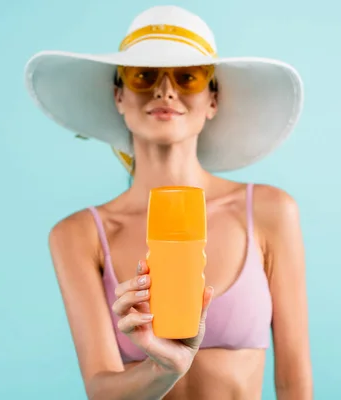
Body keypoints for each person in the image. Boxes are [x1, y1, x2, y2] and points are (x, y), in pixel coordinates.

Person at [24, 5, 312, 400]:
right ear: (119, 97)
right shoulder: (78, 235)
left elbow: (294, 383)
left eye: (187, 77)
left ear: (213, 100)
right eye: (143, 76)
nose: (165, 91)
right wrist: (165, 368)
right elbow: (101, 390)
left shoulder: (269, 211)